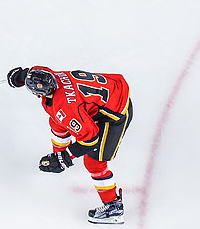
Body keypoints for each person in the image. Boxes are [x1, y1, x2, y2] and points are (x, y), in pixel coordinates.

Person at [7, 65, 133, 225]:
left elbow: (90, 139)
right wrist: (21, 77)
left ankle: (113, 208)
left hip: (117, 112)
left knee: (94, 162)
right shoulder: (50, 75)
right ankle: (58, 153)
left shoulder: (66, 108)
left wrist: (65, 158)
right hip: (109, 92)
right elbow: (35, 72)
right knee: (56, 120)